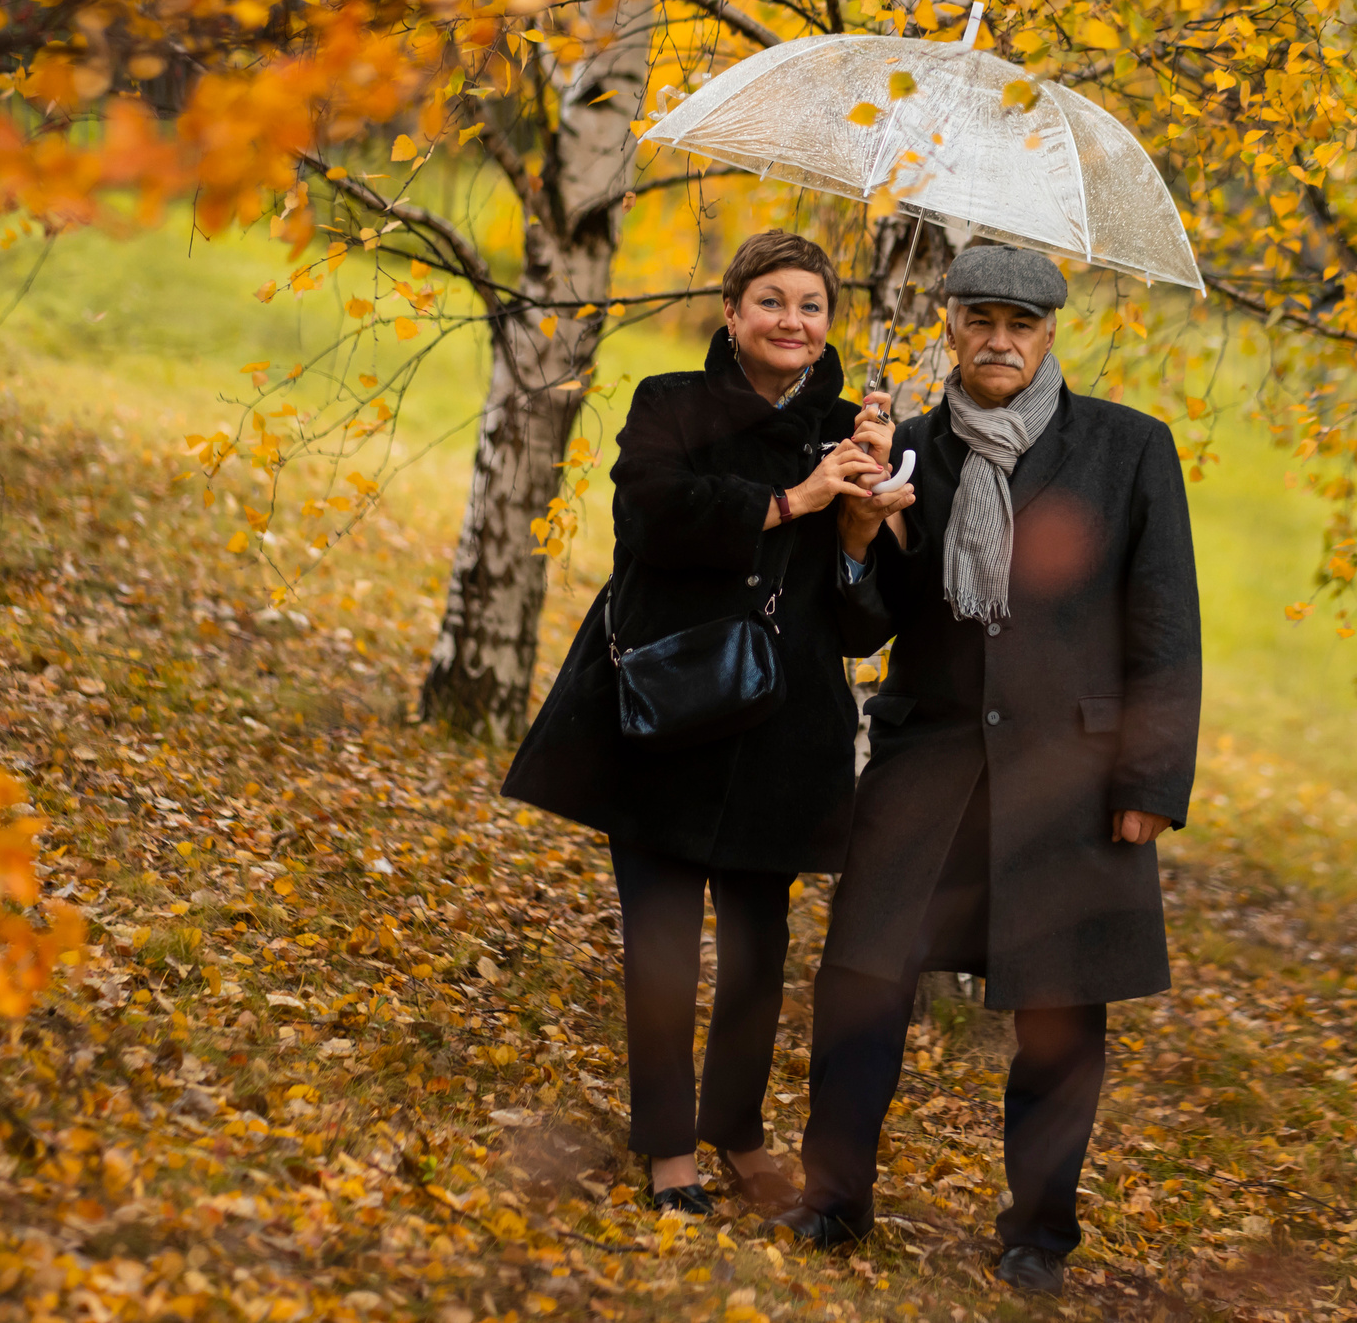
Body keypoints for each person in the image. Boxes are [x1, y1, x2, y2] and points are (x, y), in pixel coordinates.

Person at [768, 244, 1202, 1296]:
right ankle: (833, 1198)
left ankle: (1037, 1234)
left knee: (1060, 1011)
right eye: (980, 322)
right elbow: (862, 629)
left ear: (1051, 333)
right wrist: (862, 534)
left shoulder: (1127, 449)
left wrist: (1149, 782)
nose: (999, 340)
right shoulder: (907, 447)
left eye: (1021, 323)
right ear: (951, 329)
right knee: (862, 980)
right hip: (930, 764)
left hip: (1073, 778)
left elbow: (1166, 625)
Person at [502, 229, 915, 1217]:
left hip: (781, 734)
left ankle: (734, 1129)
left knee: (757, 952)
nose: (791, 320)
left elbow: (860, 626)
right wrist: (793, 499)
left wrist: (858, 532)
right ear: (731, 313)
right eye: (770, 300)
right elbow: (652, 518)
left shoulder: (853, 433)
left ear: (826, 324)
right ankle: (664, 1148)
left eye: (810, 304)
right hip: (664, 714)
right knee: (658, 944)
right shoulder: (670, 405)